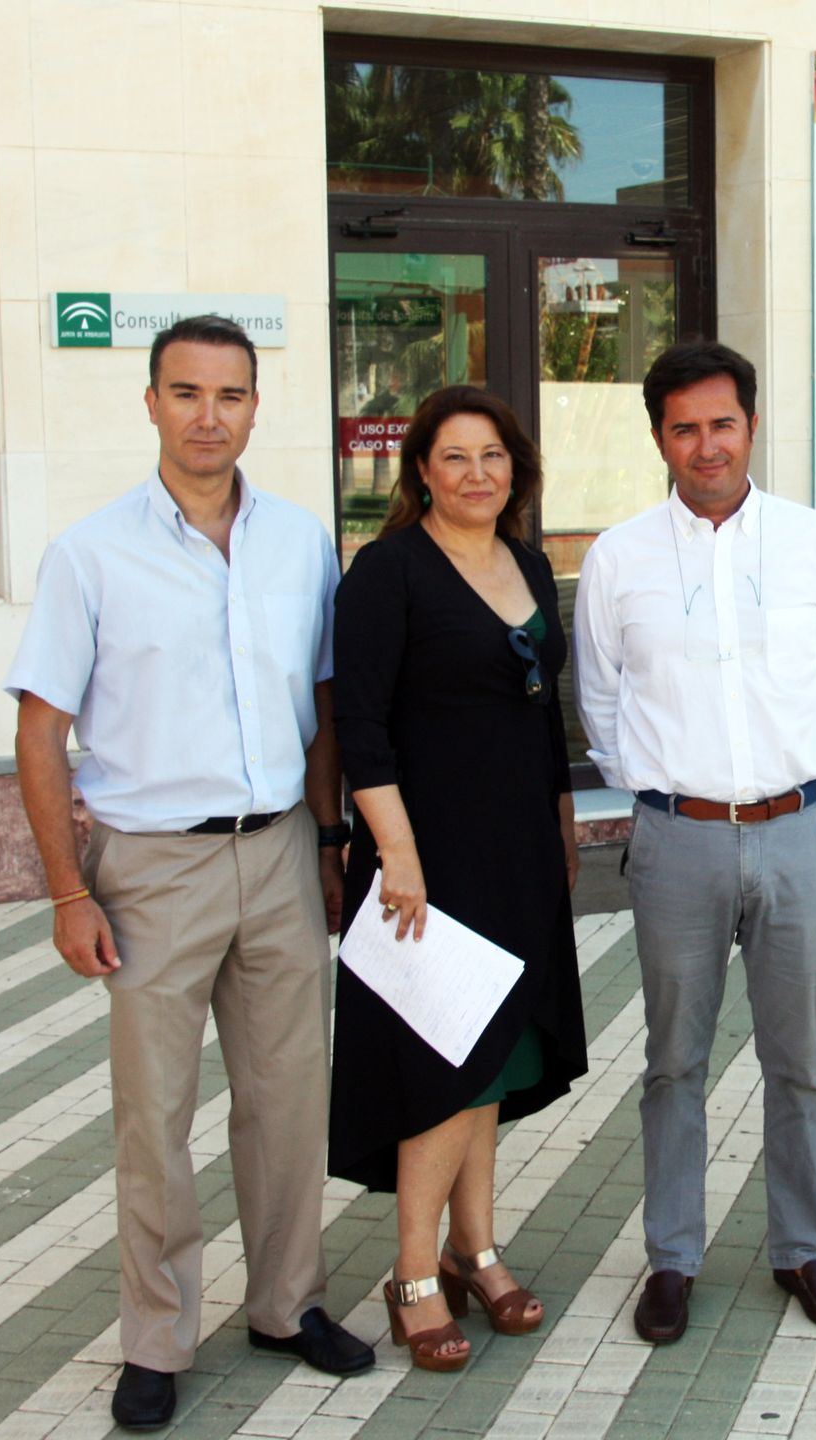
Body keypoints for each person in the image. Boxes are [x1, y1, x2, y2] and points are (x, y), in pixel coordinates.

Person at [5, 316, 374, 1431]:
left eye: (230, 394)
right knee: (153, 1117)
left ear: (258, 405)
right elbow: (40, 733)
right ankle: (156, 1338)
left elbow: (320, 707)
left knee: (283, 1100)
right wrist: (70, 892)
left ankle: (285, 1304)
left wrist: (321, 841)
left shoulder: (300, 541)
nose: (209, 415)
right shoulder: (91, 551)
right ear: (153, 403)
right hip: (149, 871)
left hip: (273, 854)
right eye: (187, 393)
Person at [573, 340, 816, 1343]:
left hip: (793, 833)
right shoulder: (617, 558)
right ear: (660, 435)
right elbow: (602, 701)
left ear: (751, 425)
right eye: (684, 428)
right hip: (677, 843)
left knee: (801, 1062)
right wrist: (671, 786)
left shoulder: (815, 544)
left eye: (723, 424)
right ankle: (671, 1259)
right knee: (673, 1063)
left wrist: (794, 776)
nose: (706, 445)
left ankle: (801, 1249)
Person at [328, 386, 588, 1370]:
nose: (477, 474)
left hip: (516, 847)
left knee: (496, 1057)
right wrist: (394, 854)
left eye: (493, 456)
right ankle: (412, 1277)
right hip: (424, 862)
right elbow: (360, 725)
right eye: (455, 458)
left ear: (514, 467)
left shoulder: (527, 561)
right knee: (445, 1066)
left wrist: (561, 821)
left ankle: (476, 1249)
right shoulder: (386, 572)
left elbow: (539, 711)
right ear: (421, 473)